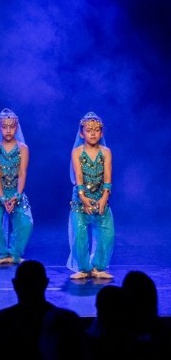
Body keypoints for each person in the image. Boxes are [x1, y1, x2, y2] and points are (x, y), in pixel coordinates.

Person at [66, 111, 114, 280]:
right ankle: (84, 268)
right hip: (81, 198)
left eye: (96, 130)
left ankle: (99, 267)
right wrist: (82, 197)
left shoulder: (106, 152)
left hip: (101, 196)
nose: (93, 133)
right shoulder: (77, 152)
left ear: (101, 133)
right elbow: (78, 175)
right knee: (80, 233)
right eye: (88, 130)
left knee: (107, 233)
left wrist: (104, 197)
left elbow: (107, 175)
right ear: (81, 133)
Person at [0, 108, 33, 265]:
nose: (8, 130)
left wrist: (17, 195)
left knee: (26, 224)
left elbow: (22, 173)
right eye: (4, 127)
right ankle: (1, 254)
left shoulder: (23, 148)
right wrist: (3, 198)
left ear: (16, 127)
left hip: (16, 191)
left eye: (11, 127)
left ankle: (14, 253)